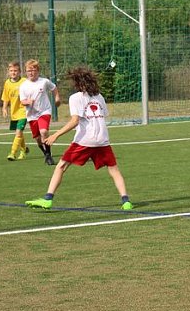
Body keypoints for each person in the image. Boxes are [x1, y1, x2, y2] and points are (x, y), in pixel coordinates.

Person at [26, 66, 132, 211]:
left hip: (85, 140)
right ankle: (126, 201)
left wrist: (55, 135)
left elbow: (75, 121)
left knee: (61, 166)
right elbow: (102, 114)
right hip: (102, 140)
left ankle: (48, 199)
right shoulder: (99, 96)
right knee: (113, 170)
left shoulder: (75, 98)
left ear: (78, 82)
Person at [19, 59, 61, 165]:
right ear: (26, 72)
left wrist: (57, 98)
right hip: (32, 115)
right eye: (29, 70)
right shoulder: (23, 86)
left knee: (43, 132)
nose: (31, 72)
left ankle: (48, 155)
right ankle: (46, 153)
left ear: (38, 71)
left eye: (34, 70)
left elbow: (54, 88)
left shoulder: (44, 81)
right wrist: (28, 101)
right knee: (38, 138)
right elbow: (22, 101)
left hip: (44, 111)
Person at [1, 61, 30, 161]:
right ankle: (24, 150)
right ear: (8, 72)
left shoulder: (25, 81)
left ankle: (12, 153)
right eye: (11, 71)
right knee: (19, 133)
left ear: (20, 72)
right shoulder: (7, 83)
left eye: (15, 71)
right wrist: (4, 108)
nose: (13, 73)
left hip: (24, 111)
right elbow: (6, 97)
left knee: (18, 132)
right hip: (14, 112)